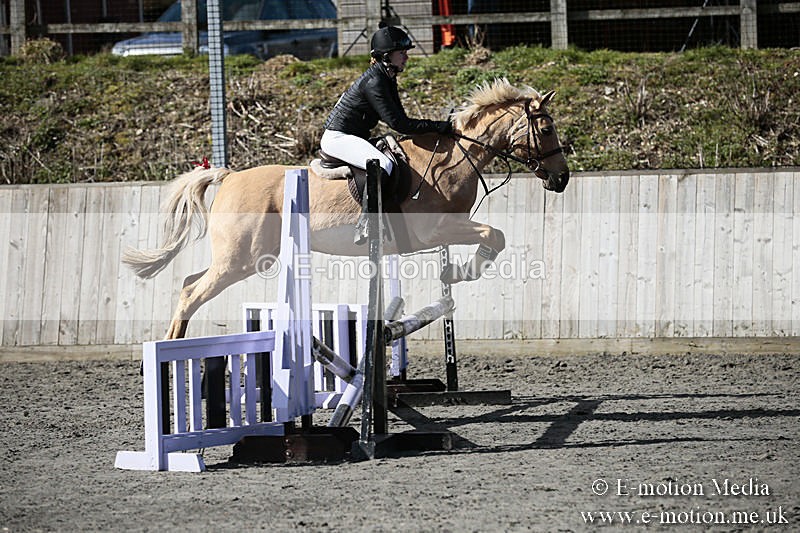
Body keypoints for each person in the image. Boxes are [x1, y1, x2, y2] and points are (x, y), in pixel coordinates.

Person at [320, 25, 452, 243]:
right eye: (402, 52)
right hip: (338, 138)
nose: (406, 57)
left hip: (353, 136)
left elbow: (401, 119)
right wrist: (437, 126)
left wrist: (435, 127)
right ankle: (366, 223)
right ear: (386, 56)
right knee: (383, 164)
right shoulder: (375, 81)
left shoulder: (387, 77)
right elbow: (398, 124)